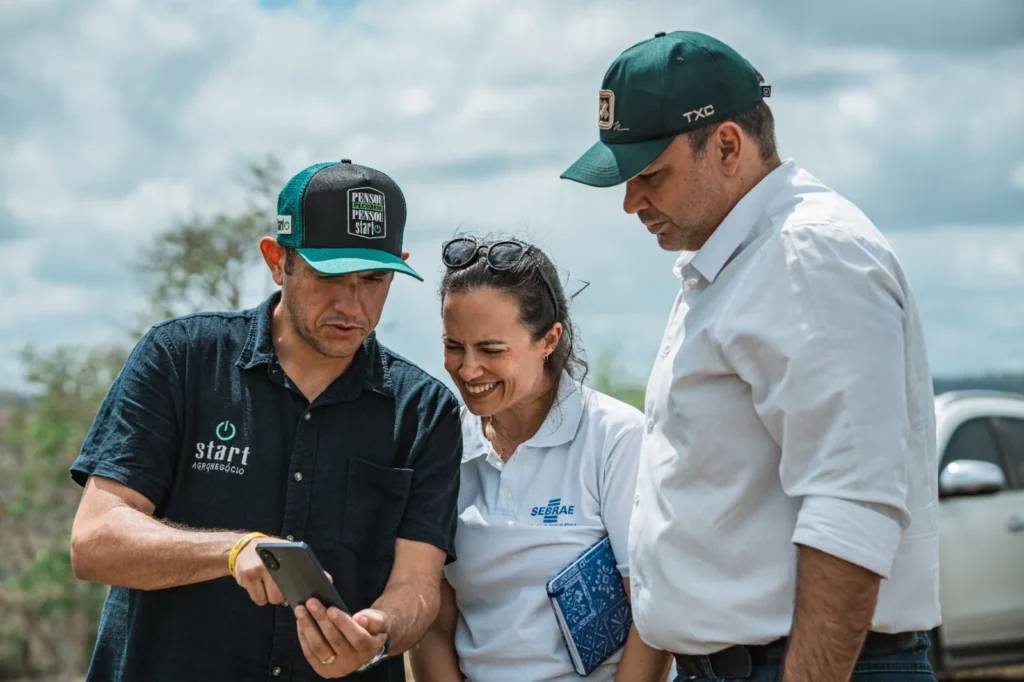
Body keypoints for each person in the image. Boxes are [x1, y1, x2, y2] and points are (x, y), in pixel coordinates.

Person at [560, 31, 941, 682]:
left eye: (649, 174)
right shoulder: (737, 259)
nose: (630, 202)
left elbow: (851, 506)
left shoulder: (807, 254)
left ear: (727, 145)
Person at [68, 159, 464, 681]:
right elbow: (95, 541)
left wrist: (378, 631)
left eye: (374, 278)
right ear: (278, 261)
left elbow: (418, 585)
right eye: (329, 275)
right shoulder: (180, 360)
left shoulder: (424, 410)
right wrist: (233, 552)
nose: (352, 303)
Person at [408, 236, 672, 682]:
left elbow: (653, 616)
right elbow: (434, 620)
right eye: (454, 346)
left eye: (492, 350)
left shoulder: (615, 437)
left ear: (549, 340)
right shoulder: (440, 447)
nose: (468, 370)